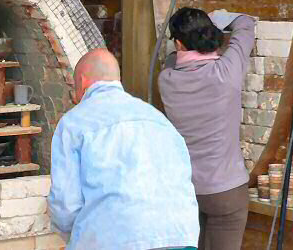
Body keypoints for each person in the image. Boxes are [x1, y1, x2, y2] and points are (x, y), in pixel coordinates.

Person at [48, 48, 199, 250]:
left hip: (116, 241)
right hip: (181, 237)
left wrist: (75, 238)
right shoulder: (158, 119)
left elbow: (66, 206)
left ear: (83, 81)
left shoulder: (74, 123)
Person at [158, 8, 255, 250]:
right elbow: (245, 24)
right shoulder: (226, 72)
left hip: (188, 190)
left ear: (179, 44)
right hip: (226, 193)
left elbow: (173, 58)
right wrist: (218, 19)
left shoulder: (167, 79)